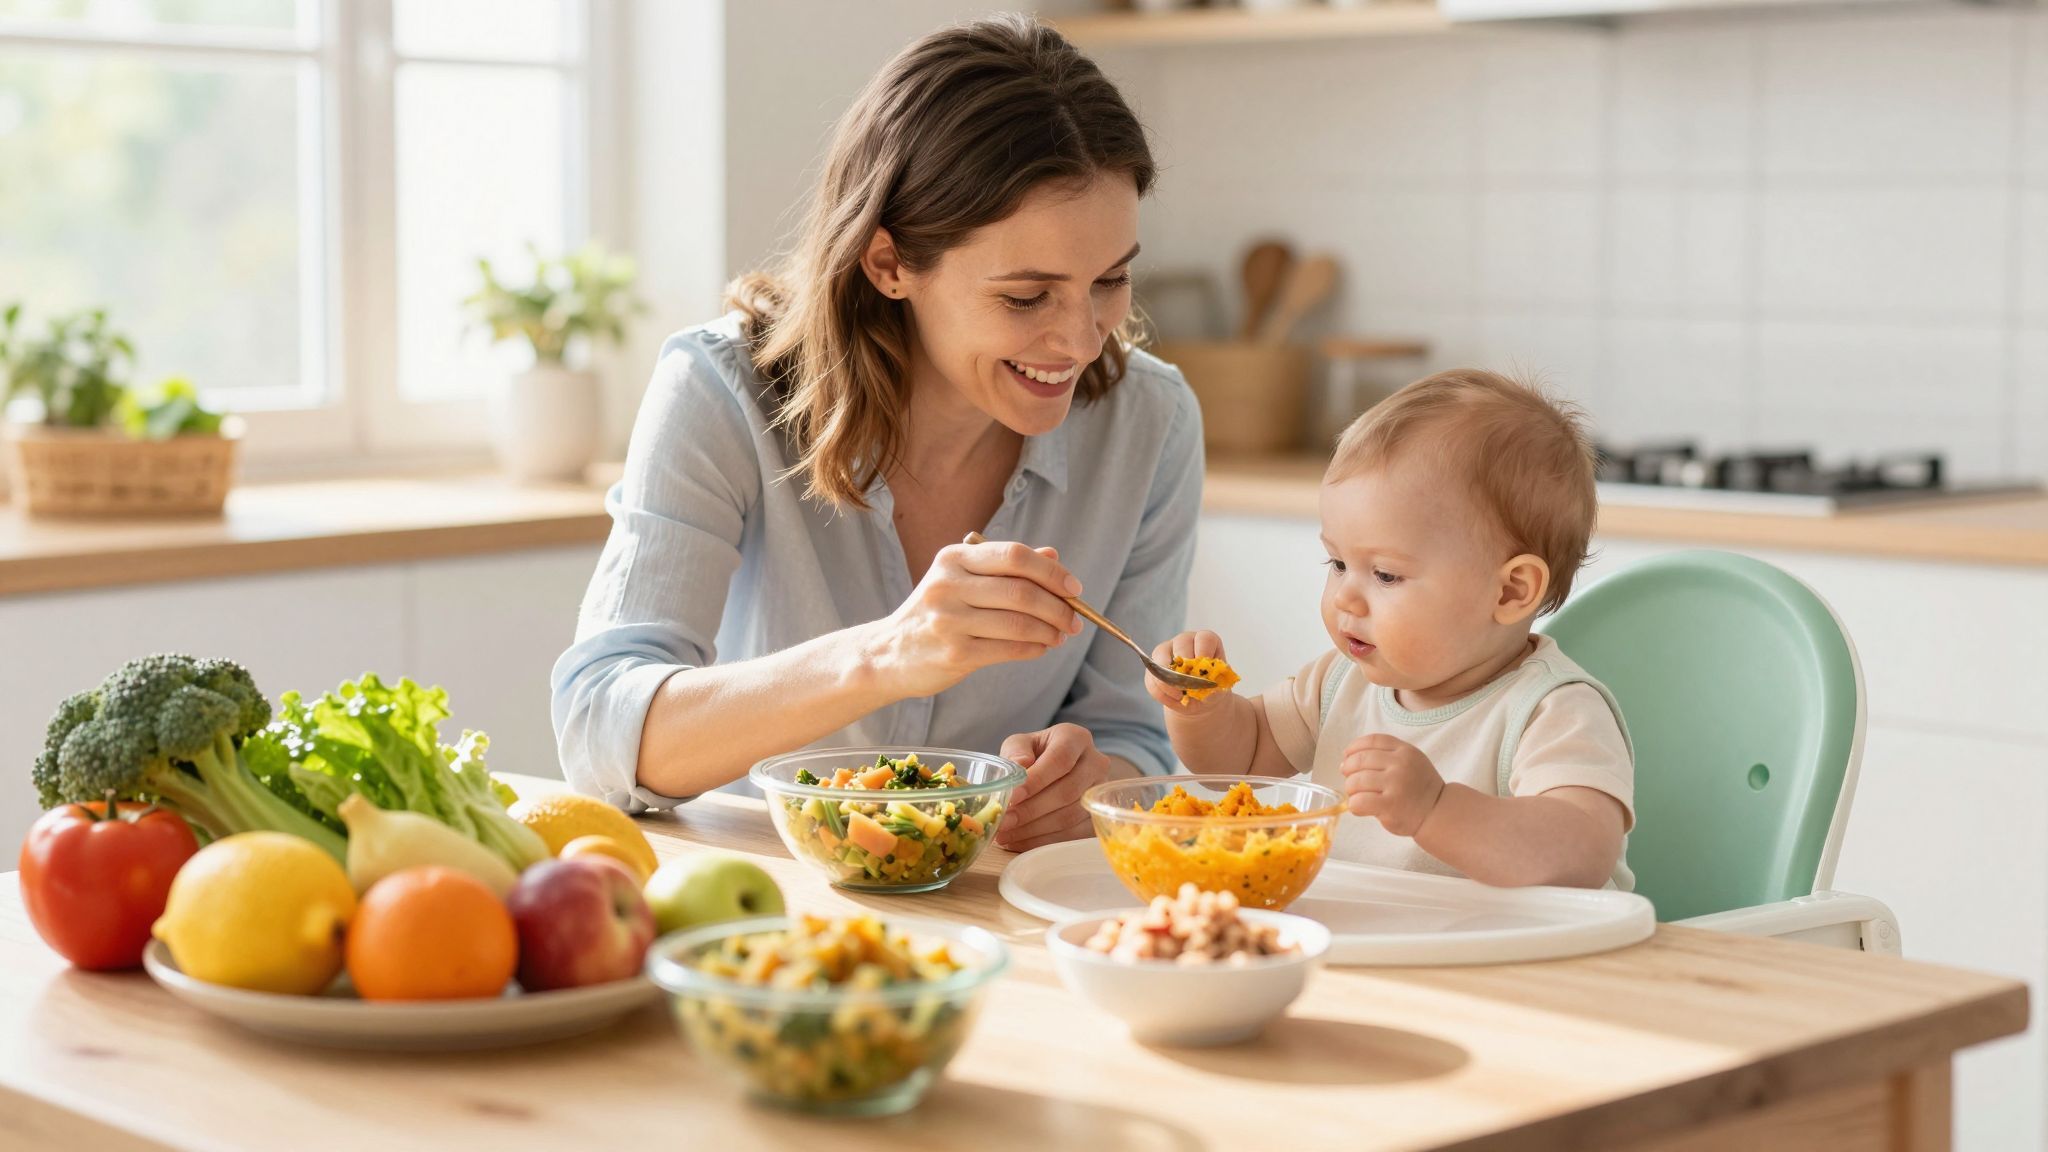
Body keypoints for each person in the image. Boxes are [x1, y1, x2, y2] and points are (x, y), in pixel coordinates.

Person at [551, 15, 1202, 853]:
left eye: (1110, 280)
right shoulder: (721, 391)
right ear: (889, 263)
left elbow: (1133, 735)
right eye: (1025, 297)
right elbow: (600, 734)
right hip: (774, 902)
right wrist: (891, 653)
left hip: (996, 908)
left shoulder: (1150, 425)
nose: (1081, 340)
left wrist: (1098, 779)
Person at [1148, 370, 1633, 889]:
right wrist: (1203, 709)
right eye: (1335, 563)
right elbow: (1239, 757)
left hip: (1519, 961)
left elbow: (1581, 853)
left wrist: (1437, 808)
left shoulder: (1551, 710)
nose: (1345, 597)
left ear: (1511, 591)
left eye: (1385, 574)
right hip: (1384, 949)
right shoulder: (1340, 683)